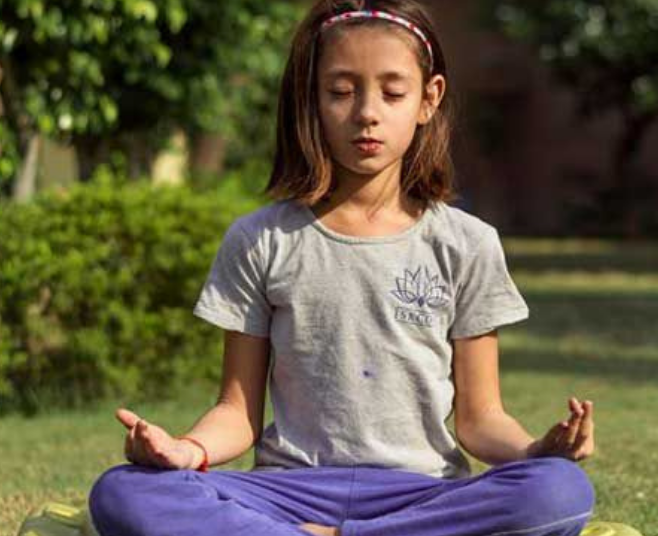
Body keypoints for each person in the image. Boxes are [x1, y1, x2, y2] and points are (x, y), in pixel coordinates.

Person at [87, 2, 595, 535]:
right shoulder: (260, 240)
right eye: (341, 91)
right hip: (287, 492)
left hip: (420, 493)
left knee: (559, 492)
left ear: (429, 99)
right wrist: (185, 450)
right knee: (124, 492)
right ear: (312, 100)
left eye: (392, 93)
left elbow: (480, 419)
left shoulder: (466, 243)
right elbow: (236, 413)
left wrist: (538, 452)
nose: (367, 113)